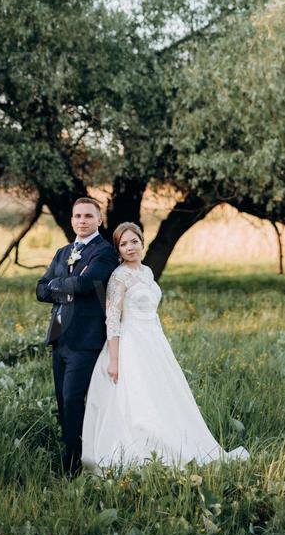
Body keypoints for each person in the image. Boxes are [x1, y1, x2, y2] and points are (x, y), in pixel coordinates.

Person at [82, 221, 249, 472]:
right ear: (118, 249)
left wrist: (160, 341)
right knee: (137, 399)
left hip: (153, 342)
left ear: (142, 242)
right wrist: (114, 360)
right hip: (129, 346)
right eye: (123, 244)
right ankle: (143, 450)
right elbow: (113, 320)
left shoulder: (147, 272)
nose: (130, 247)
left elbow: (153, 313)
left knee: (164, 394)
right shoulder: (119, 277)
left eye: (134, 241)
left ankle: (178, 442)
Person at [36, 197, 118, 475]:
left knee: (73, 398)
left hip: (86, 338)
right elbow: (40, 289)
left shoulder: (104, 251)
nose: (81, 221)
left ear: (99, 220)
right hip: (59, 337)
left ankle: (76, 461)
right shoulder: (62, 252)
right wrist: (65, 286)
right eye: (77, 216)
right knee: (62, 400)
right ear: (71, 219)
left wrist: (58, 286)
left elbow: (85, 283)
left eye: (87, 216)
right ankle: (71, 454)